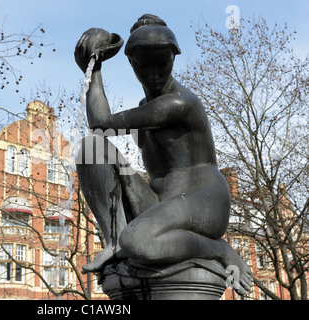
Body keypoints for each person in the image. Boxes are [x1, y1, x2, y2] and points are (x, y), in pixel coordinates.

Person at [74, 14, 253, 295]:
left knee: (138, 241)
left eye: (163, 63)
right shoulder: (145, 106)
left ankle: (218, 248)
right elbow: (100, 134)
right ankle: (114, 242)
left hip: (204, 202)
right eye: (146, 65)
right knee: (90, 149)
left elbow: (102, 121)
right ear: (132, 62)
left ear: (174, 57)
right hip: (161, 203)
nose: (155, 72)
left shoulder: (180, 103)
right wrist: (90, 65)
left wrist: (92, 68)